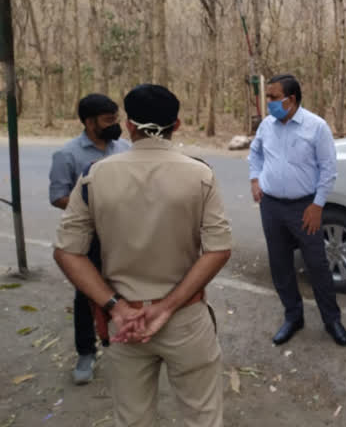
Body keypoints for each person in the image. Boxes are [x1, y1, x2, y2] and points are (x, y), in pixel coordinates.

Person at [53, 84, 232, 426]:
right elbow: (218, 250)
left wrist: (116, 307)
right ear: (176, 125)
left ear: (130, 126)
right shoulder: (199, 175)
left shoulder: (95, 177)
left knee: (132, 418)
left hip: (124, 325)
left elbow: (67, 253)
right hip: (185, 320)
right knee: (203, 415)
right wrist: (166, 308)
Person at [248, 74, 346, 346]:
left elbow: (328, 169)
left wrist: (317, 205)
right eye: (267, 96)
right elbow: (255, 153)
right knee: (280, 264)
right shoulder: (266, 126)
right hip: (271, 206)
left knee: (317, 265)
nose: (268, 102)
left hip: (304, 207)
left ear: (290, 100)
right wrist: (255, 179)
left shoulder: (316, 127)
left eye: (272, 96)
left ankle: (332, 320)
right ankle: (293, 316)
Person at [48, 93, 130, 384]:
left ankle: (129, 342)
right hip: (89, 238)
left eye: (116, 118)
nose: (115, 125)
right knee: (87, 295)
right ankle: (86, 351)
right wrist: (92, 202)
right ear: (88, 121)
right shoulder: (67, 155)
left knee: (127, 287)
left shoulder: (124, 148)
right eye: (108, 120)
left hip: (123, 235)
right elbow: (57, 196)